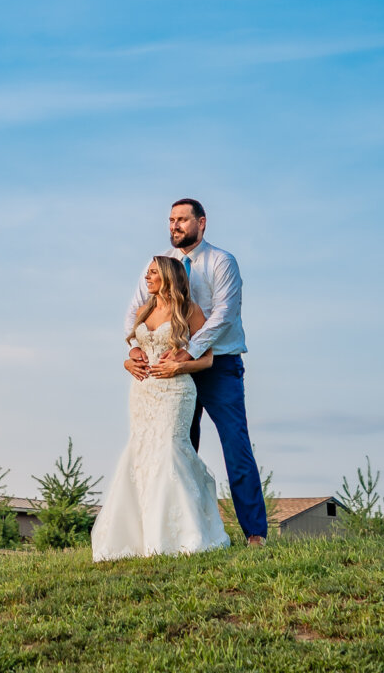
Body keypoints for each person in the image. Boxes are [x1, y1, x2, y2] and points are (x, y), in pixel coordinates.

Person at [121, 198, 268, 546]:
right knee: (178, 448)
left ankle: (255, 534)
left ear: (202, 223)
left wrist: (189, 351)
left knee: (236, 446)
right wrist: (134, 349)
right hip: (170, 377)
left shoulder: (221, 262)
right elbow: (134, 313)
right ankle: (184, 533)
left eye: (183, 220)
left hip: (218, 366)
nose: (175, 226)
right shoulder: (158, 265)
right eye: (171, 220)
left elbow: (224, 314)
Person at [90, 254, 232, 560]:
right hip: (142, 393)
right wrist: (129, 359)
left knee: (169, 450)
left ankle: (181, 534)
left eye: (153, 273)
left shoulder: (189, 311)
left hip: (175, 392)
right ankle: (142, 539)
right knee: (141, 454)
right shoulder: (144, 310)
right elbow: (134, 348)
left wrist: (178, 369)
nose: (147, 277)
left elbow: (207, 359)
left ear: (168, 276)